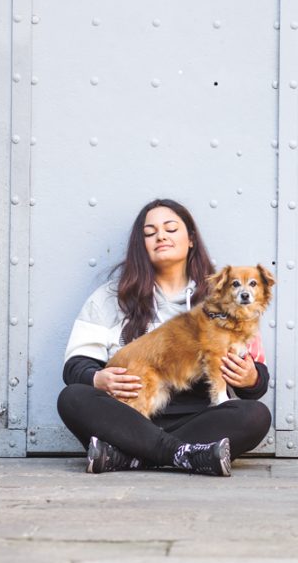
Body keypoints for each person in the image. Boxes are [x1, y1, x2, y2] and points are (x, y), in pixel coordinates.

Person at [56, 198, 272, 476]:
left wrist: (250, 378)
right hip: (128, 416)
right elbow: (76, 366)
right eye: (150, 233)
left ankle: (129, 457)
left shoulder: (225, 296)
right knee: (73, 398)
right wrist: (97, 378)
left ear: (191, 239)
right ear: (141, 244)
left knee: (255, 415)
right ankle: (185, 455)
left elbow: (258, 380)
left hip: (196, 419)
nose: (161, 236)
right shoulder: (110, 297)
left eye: (171, 228)